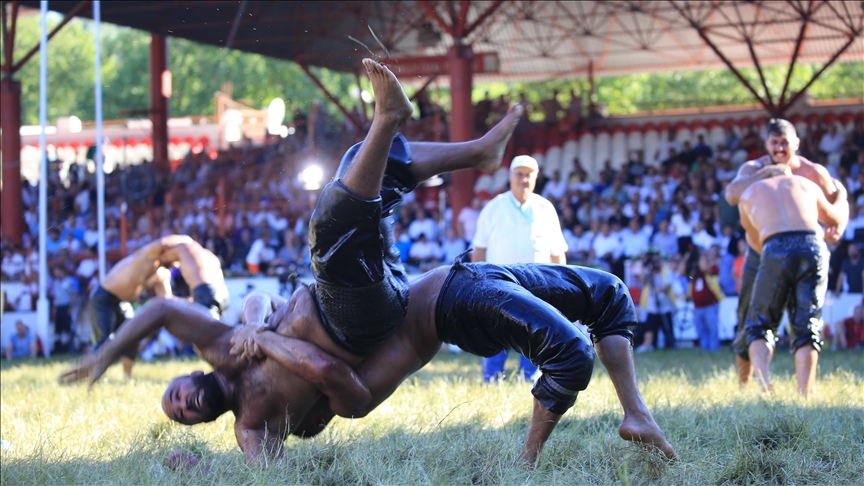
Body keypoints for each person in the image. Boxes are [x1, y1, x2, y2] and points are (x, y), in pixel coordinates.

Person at [61, 59, 676, 469]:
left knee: (361, 166)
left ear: (178, 381)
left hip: (398, 282)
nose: (177, 404)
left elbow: (163, 309)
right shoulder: (256, 422)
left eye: (169, 398)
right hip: (361, 317)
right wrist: (198, 460)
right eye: (179, 415)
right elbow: (329, 405)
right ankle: (393, 119)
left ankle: (477, 153)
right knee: (332, 221)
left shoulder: (224, 345)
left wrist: (104, 354)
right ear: (198, 422)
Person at [724, 118, 848, 390]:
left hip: (789, 245)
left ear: (796, 144)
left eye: (784, 143)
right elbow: (731, 194)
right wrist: (764, 174)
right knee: (749, 315)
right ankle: (744, 385)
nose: (779, 148)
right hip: (763, 251)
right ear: (767, 144)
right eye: (774, 143)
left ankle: (796, 388)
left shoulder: (812, 172)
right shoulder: (753, 167)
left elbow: (838, 204)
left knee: (798, 317)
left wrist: (838, 228)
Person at [472, 154, 568, 382]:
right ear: (509, 176)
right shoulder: (494, 207)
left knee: (534, 335)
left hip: (537, 286)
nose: (523, 179)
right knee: (497, 333)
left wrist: (561, 290)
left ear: (536, 178)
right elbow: (479, 249)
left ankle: (530, 380)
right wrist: (478, 284)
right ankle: (492, 380)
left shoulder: (545, 208)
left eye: (529, 175)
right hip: (499, 285)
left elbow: (557, 253)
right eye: (519, 174)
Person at [88, 235, 187, 377]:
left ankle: (127, 376)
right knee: (105, 341)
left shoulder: (163, 274)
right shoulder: (146, 256)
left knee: (132, 337)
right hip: (104, 297)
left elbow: (167, 300)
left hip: (124, 302)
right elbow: (164, 241)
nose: (175, 262)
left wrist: (185, 303)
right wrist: (187, 241)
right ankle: (91, 376)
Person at [687, 251, 723, 352]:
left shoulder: (712, 268)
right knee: (701, 329)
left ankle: (714, 349)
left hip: (710, 304)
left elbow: (710, 271)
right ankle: (704, 348)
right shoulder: (695, 272)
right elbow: (689, 278)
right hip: (697, 306)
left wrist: (705, 263)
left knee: (712, 328)